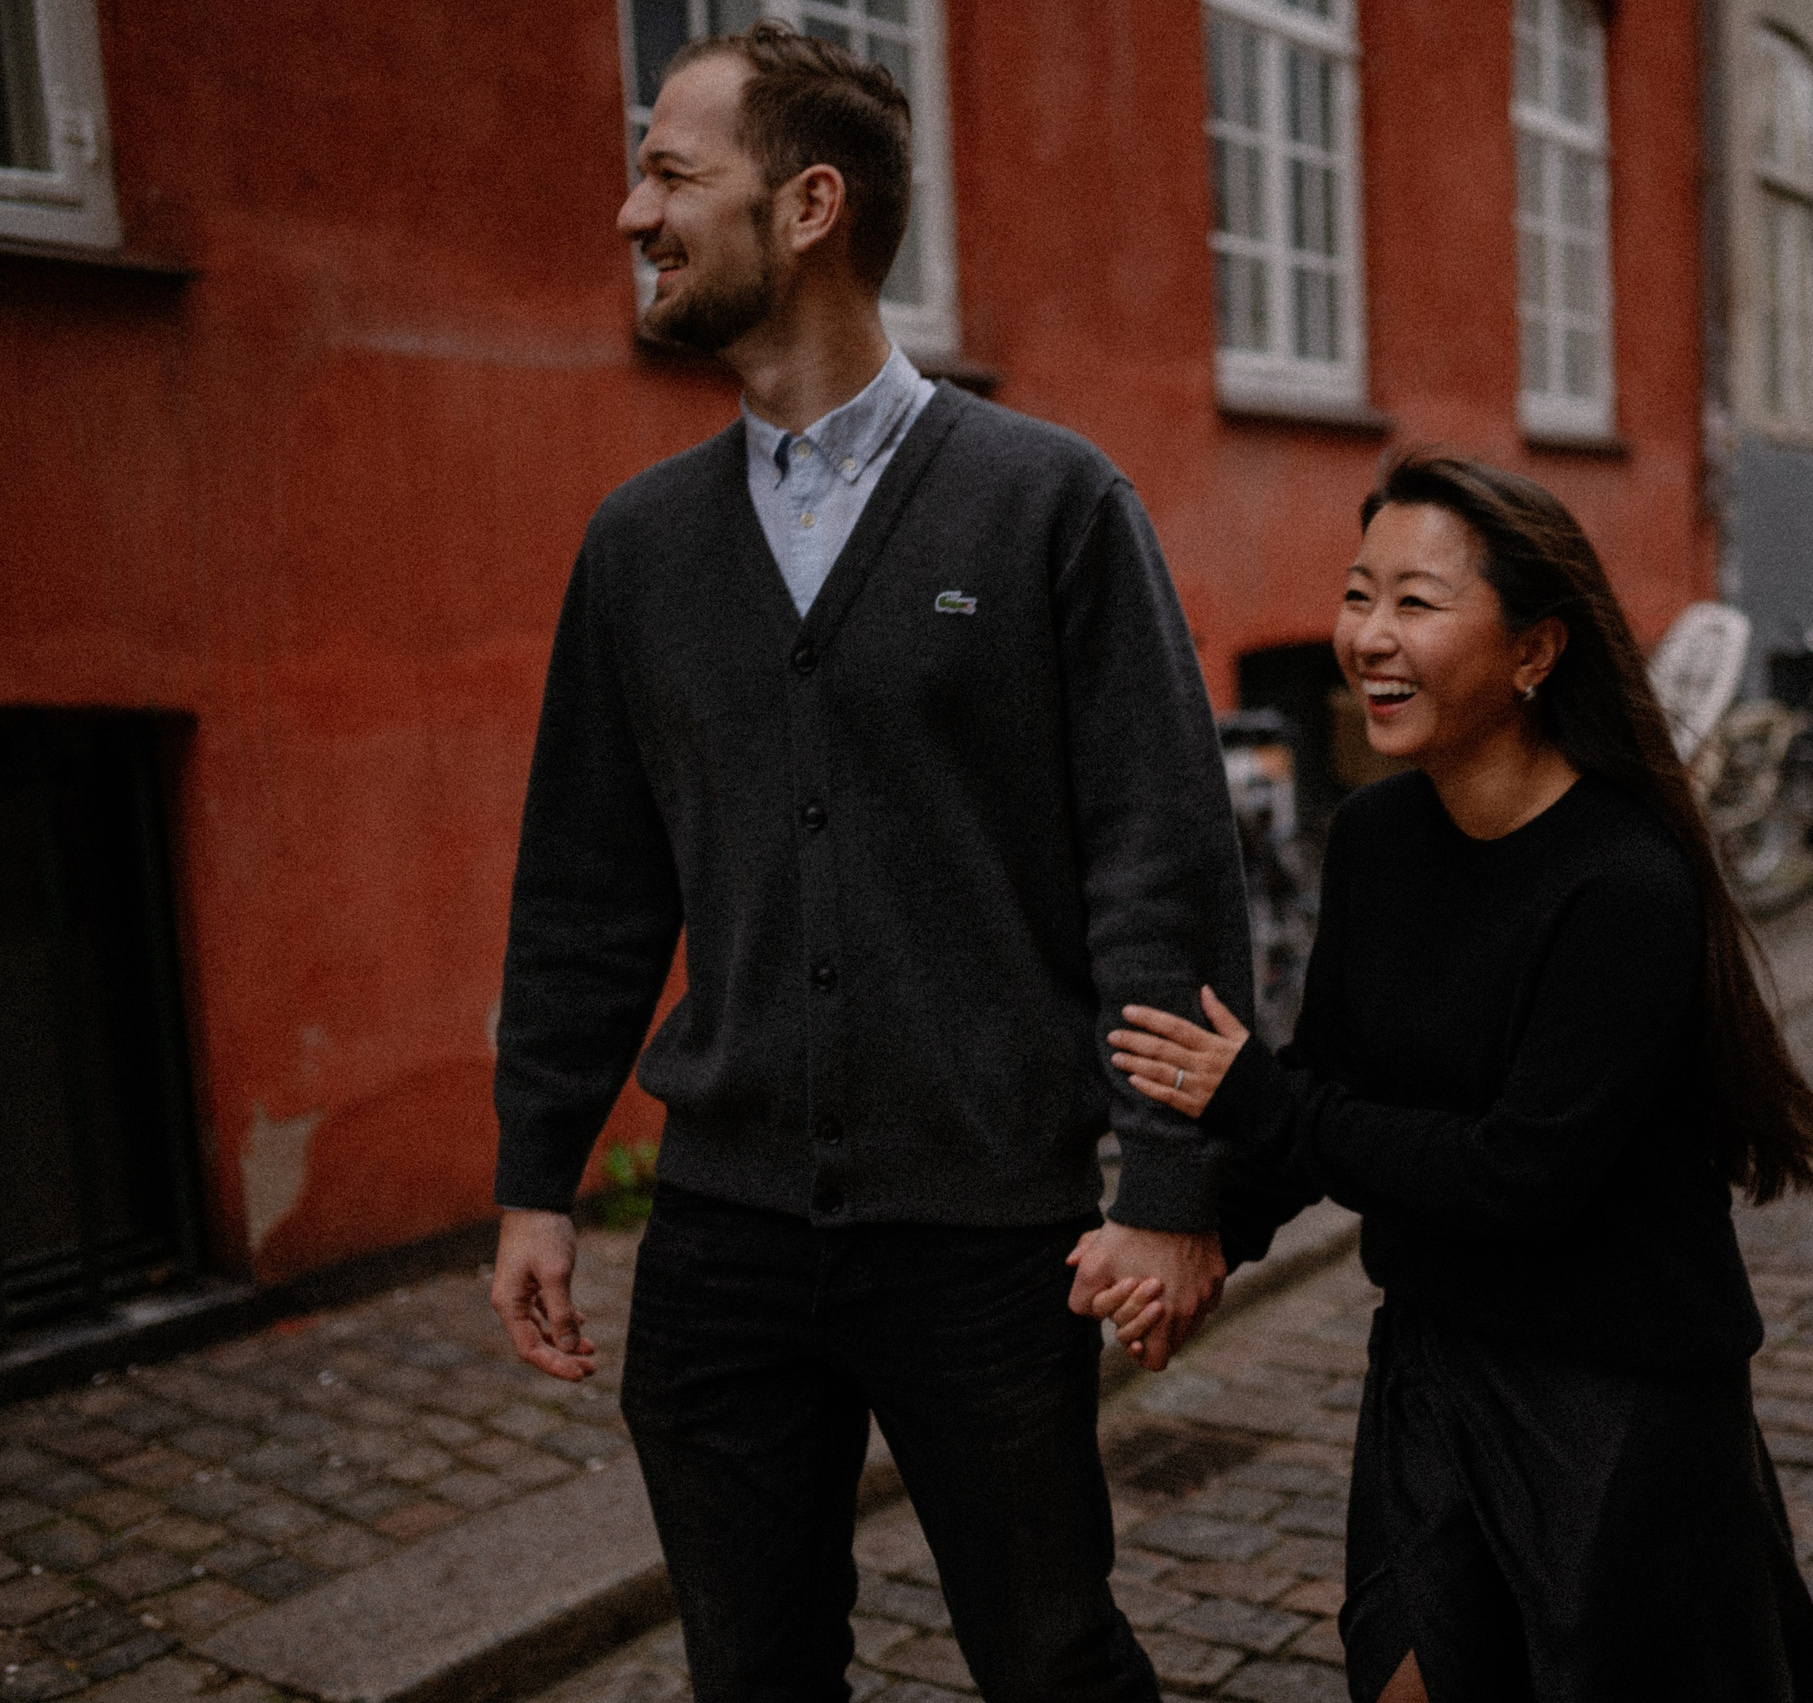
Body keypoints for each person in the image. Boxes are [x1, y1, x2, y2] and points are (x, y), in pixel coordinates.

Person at [486, 24, 1247, 1703]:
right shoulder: (639, 547)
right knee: (751, 1669)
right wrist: (537, 1170)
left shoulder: (1048, 503)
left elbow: (1158, 857)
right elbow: (590, 883)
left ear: (811, 203)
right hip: (724, 1234)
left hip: (987, 1231)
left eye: (674, 174)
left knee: (1049, 1649)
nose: (632, 212)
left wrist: (1175, 1183)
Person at [1098, 453, 1813, 1702]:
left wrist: (1252, 1097)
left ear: (1533, 651)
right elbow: (1330, 1085)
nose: (1369, 638)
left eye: (1417, 601)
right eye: (1359, 594)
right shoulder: (1377, 840)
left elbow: (1520, 1175)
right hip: (1438, 1373)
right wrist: (1195, 1232)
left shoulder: (1623, 883)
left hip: (1616, 1400)